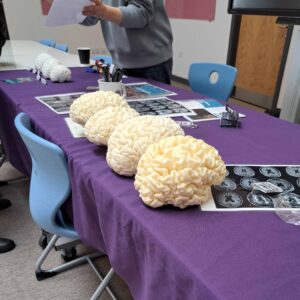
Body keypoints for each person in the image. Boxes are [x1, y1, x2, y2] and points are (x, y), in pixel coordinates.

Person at [81, 0, 173, 84]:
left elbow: (141, 14)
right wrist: (75, 10)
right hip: (119, 62)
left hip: (150, 62)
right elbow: (91, 17)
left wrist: (103, 11)